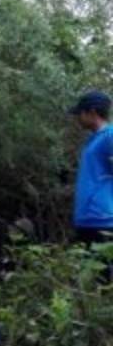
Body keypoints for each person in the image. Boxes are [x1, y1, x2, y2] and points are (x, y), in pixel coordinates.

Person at [69, 90, 113, 244]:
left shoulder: (109, 135)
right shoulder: (94, 139)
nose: (78, 118)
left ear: (92, 112)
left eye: (80, 113)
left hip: (103, 220)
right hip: (87, 220)